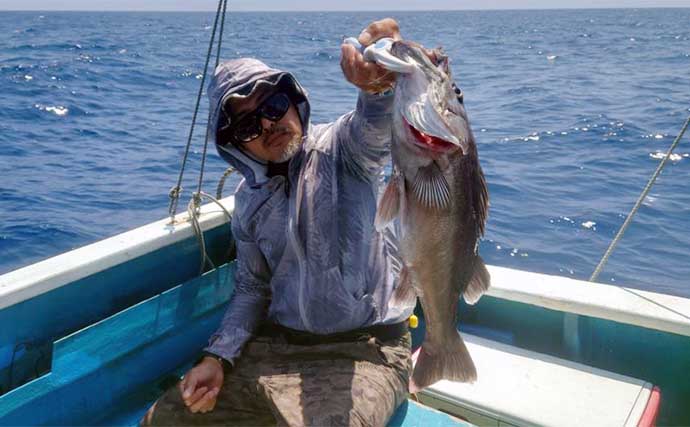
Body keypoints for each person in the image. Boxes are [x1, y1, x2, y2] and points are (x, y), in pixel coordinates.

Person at [141, 18, 416, 427]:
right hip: (278, 348)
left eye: (272, 107)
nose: (268, 124)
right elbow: (252, 287)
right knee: (162, 419)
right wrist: (218, 357)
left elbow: (375, 127)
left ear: (293, 102)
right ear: (235, 143)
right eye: (249, 124)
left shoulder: (344, 149)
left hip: (366, 350)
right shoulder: (247, 203)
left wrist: (378, 87)